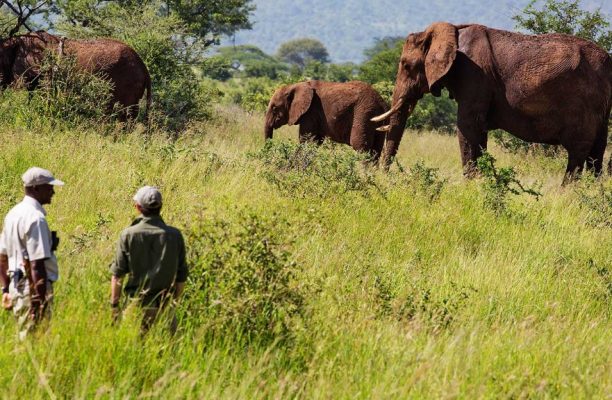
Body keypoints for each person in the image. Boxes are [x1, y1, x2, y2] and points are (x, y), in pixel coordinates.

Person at [110, 186, 188, 333]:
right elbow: (181, 278)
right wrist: (171, 304)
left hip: (135, 309)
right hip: (164, 309)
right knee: (167, 354)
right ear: (161, 207)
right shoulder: (175, 236)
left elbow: (117, 276)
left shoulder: (128, 235)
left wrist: (114, 308)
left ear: (138, 207)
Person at [0, 167, 64, 338]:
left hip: (17, 287)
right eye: (49, 186)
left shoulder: (12, 214)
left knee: (24, 339)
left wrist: (5, 289)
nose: (53, 191)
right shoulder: (36, 218)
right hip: (32, 290)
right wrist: (39, 303)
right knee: (35, 340)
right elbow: (36, 265)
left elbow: (2, 257)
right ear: (36, 188)